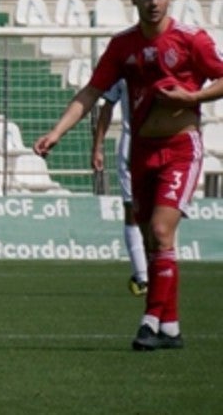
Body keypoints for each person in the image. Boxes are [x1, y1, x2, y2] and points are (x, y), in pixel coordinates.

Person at [34, 0, 223, 351]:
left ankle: (150, 321)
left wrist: (192, 98)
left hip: (181, 147)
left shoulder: (191, 40)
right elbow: (91, 92)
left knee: (159, 231)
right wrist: (56, 131)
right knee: (156, 242)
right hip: (140, 151)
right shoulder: (123, 46)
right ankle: (170, 327)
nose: (153, 2)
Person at [93, 79, 150, 296]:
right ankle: (142, 275)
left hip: (164, 146)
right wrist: (97, 147)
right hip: (132, 147)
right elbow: (107, 105)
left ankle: (154, 272)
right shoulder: (124, 63)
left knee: (157, 214)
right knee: (132, 211)